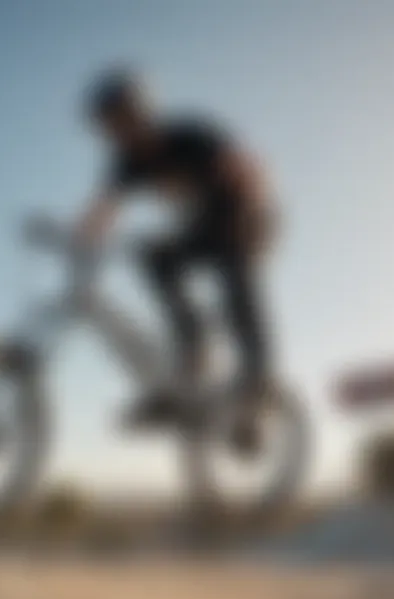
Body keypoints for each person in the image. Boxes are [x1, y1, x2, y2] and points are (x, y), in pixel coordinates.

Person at [74, 67, 278, 451]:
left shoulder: (188, 135)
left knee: (238, 278)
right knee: (152, 257)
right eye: (108, 127)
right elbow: (103, 210)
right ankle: (194, 340)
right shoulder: (126, 163)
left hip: (245, 215)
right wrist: (74, 239)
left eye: (120, 122)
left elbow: (249, 170)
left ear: (140, 114)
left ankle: (258, 384)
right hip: (203, 228)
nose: (116, 134)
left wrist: (251, 213)